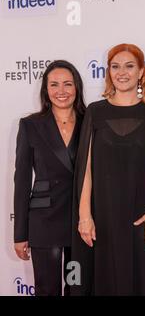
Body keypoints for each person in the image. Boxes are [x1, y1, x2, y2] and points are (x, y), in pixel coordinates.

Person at [71, 43, 145, 295]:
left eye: (129, 66)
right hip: (103, 218)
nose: (122, 72)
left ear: (141, 72)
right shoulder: (95, 112)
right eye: (115, 67)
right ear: (108, 72)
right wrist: (85, 215)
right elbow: (85, 169)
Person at [13, 60, 86, 296]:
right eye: (54, 85)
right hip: (45, 222)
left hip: (81, 222)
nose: (61, 91)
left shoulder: (91, 121)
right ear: (46, 90)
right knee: (48, 290)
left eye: (67, 84)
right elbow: (22, 182)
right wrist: (20, 234)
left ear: (77, 87)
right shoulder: (31, 125)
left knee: (77, 287)